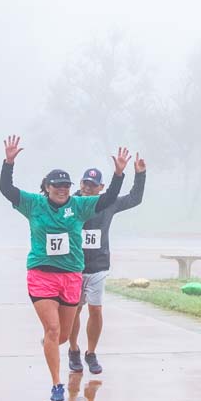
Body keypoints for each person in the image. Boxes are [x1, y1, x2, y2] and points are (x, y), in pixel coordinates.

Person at [0, 135, 129, 401]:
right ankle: (57, 385)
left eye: (66, 186)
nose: (62, 189)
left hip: (71, 276)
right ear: (47, 187)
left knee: (61, 336)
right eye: (57, 185)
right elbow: (6, 189)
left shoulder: (79, 206)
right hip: (41, 275)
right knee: (52, 329)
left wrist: (118, 174)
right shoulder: (33, 204)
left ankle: (51, 345)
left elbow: (108, 199)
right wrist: (8, 163)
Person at [66, 155, 147, 374]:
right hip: (73, 267)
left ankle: (91, 353)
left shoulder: (108, 203)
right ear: (80, 183)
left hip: (98, 266)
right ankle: (73, 350)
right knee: (74, 311)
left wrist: (140, 174)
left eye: (93, 185)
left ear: (101, 187)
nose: (88, 187)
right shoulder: (70, 203)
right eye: (85, 183)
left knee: (96, 309)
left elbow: (134, 198)